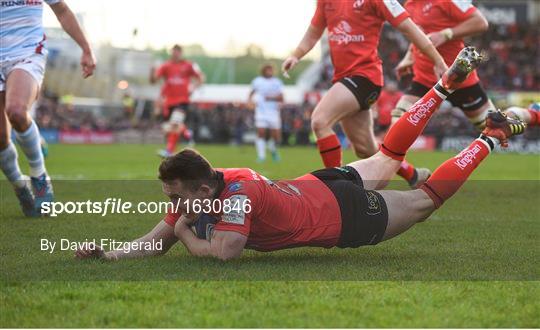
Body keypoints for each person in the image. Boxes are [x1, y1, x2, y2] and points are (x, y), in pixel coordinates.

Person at [76, 48, 526, 261]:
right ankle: (445, 83)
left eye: (176, 198)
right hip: (317, 183)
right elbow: (155, 242)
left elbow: (226, 252)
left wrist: (190, 235)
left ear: (201, 187)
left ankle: (489, 136)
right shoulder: (208, 186)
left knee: (427, 198)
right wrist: (109, 254)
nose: (173, 207)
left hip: (343, 214)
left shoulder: (234, 196)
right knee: (389, 155)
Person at [281, 0, 447, 188]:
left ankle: (338, 190)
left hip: (365, 77)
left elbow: (410, 29)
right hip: (345, 79)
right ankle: (413, 175)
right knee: (366, 149)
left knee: (320, 121)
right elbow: (313, 34)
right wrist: (296, 55)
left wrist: (438, 60)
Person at [0, 0, 96, 217]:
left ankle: (39, 176)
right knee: (0, 138)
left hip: (27, 53)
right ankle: (19, 185)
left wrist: (86, 49)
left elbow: (62, 10)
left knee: (16, 111)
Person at [393, 0, 491, 130]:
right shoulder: (409, 5)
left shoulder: (447, 1)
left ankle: (523, 115)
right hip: (424, 78)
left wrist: (446, 34)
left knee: (490, 126)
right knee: (399, 119)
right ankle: (389, 151)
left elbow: (481, 23)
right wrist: (408, 58)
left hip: (458, 76)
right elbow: (418, 35)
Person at [150, 45, 204, 157]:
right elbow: (153, 80)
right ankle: (187, 133)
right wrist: (152, 71)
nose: (175, 54)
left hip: (183, 100)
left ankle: (169, 151)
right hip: (169, 102)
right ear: (171, 53)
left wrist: (194, 87)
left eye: (177, 52)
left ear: (181, 53)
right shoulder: (166, 66)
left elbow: (200, 77)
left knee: (174, 124)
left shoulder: (188, 65)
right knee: (171, 128)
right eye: (174, 52)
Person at [247, 64, 284, 162]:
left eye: (271, 70)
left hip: (273, 112)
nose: (269, 72)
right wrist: (250, 102)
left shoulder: (277, 82)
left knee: (276, 136)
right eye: (268, 70)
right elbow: (251, 93)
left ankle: (273, 150)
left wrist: (270, 98)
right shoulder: (257, 81)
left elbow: (281, 97)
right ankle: (261, 156)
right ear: (263, 71)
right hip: (261, 111)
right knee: (261, 133)